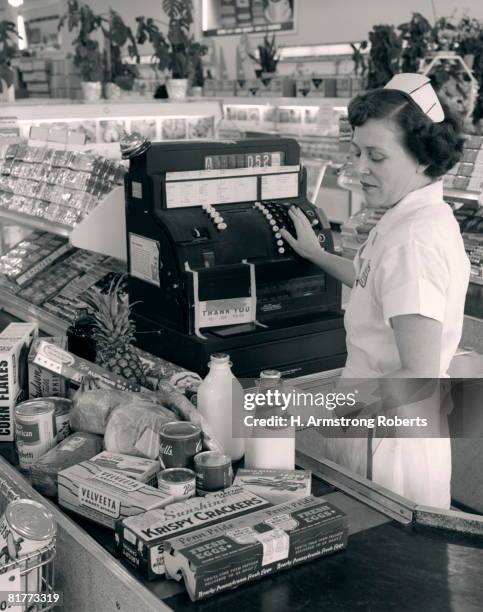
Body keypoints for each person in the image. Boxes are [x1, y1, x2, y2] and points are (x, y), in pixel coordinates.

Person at [280, 73, 470, 508]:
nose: (359, 168)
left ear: (422, 158)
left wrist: (315, 409)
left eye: (377, 157)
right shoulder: (411, 216)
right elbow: (375, 283)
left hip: (390, 444)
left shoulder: (414, 242)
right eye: (357, 152)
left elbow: (416, 376)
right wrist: (317, 254)